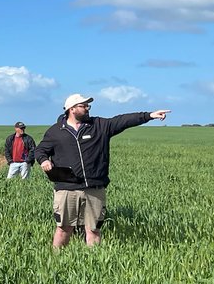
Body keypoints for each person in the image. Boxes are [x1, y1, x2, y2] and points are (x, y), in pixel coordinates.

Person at [35, 94, 170, 249]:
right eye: (84, 106)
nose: (87, 109)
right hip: (67, 189)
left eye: (88, 106)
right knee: (64, 229)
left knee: (93, 230)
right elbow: (40, 150)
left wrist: (149, 116)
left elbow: (122, 120)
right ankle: (56, 262)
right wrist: (44, 160)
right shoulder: (56, 131)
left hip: (95, 188)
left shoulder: (99, 125)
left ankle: (94, 264)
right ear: (72, 109)